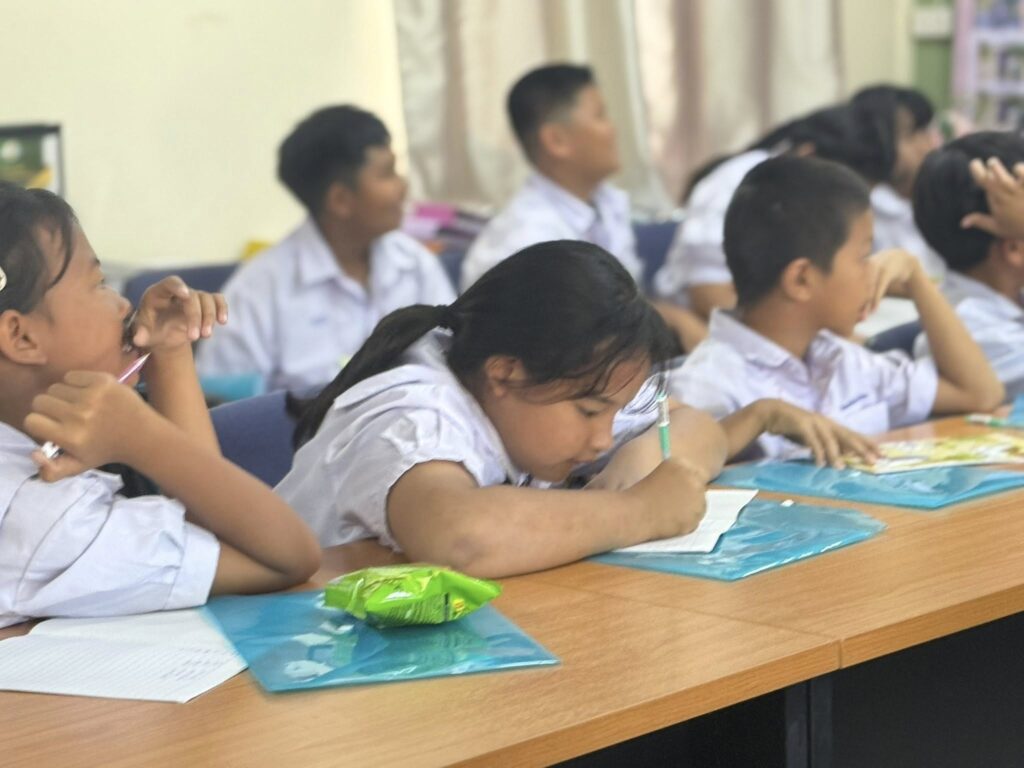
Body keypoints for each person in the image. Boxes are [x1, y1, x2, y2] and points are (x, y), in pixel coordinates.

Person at [280, 240, 878, 578]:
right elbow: (460, 537)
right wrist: (637, 511)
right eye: (590, 413)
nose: (601, 438)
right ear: (505, 374)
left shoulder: (554, 384)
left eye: (613, 415)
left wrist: (652, 459)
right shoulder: (416, 409)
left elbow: (688, 425)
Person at [0, 182, 320, 628]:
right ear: (21, 337)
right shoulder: (47, 525)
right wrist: (142, 438)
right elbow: (287, 556)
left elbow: (212, 527)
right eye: (99, 284)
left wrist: (168, 353)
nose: (123, 305)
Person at [671, 156, 1003, 460]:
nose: (873, 273)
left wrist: (916, 279)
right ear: (801, 279)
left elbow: (980, 394)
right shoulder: (707, 386)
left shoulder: (844, 360)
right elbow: (670, 475)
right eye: (863, 257)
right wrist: (756, 420)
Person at [198, 105, 455, 392]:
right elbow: (222, 401)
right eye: (387, 174)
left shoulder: (415, 263)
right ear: (340, 200)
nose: (402, 187)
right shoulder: (257, 290)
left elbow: (455, 355)